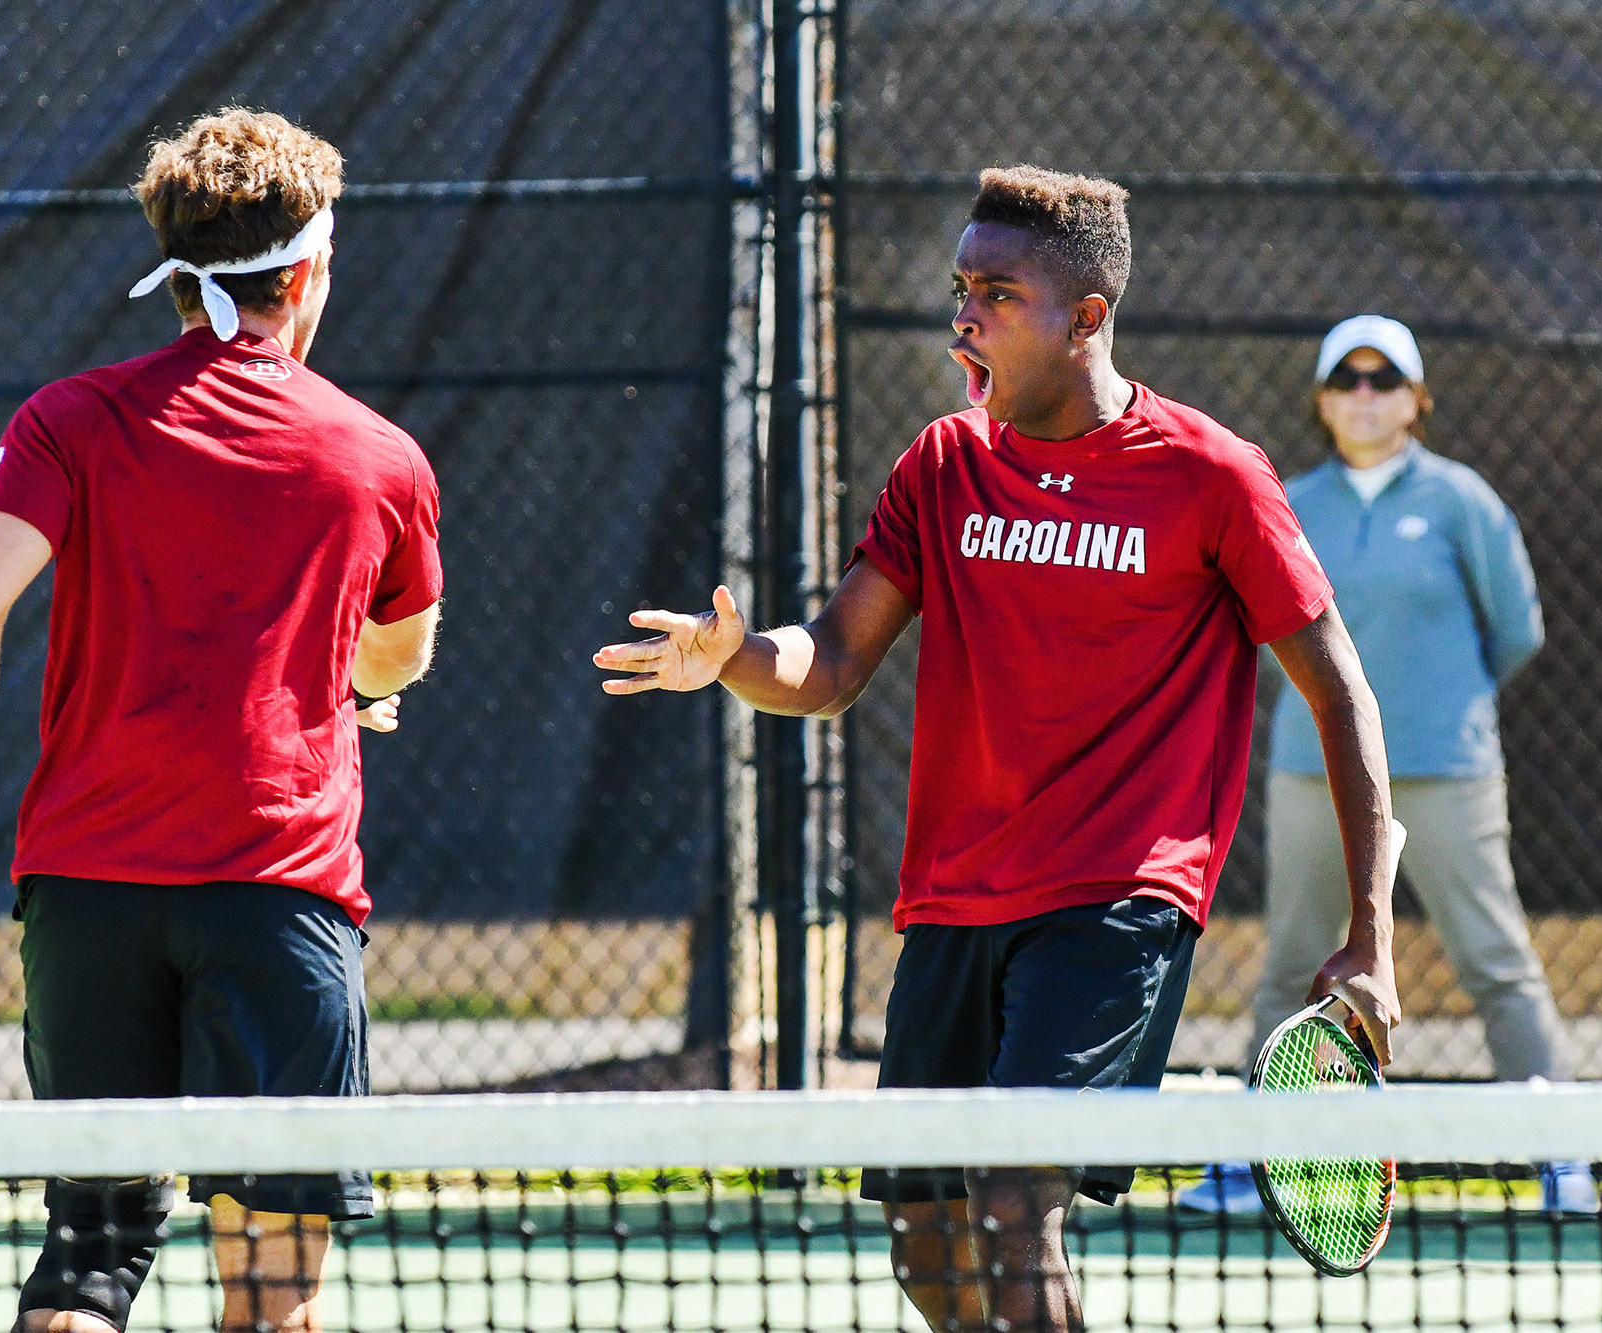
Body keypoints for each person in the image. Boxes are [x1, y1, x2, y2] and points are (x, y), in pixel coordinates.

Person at [594, 167, 1401, 1333]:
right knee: (925, 1242)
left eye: (995, 292)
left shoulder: (1210, 476)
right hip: (954, 902)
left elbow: (1341, 697)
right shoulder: (941, 464)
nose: (961, 314)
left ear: (1085, 318)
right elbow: (827, 661)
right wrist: (727, 656)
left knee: (1013, 1200)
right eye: (958, 286)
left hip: (1118, 899)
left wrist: (1368, 936)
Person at [0, 108, 443, 1333]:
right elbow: (401, 644)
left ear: (180, 274)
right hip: (277, 899)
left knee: (87, 1266)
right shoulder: (380, 458)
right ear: (308, 272)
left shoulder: (68, 421)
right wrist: (356, 685)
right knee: (271, 1286)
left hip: (83, 901)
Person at [1179, 315, 1596, 1216]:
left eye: (1384, 379)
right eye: (1348, 379)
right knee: (1295, 960)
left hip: (1447, 771)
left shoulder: (1462, 502)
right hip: (1312, 773)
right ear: (1324, 401)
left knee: (1495, 958)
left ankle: (1562, 1157)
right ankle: (1262, 1165)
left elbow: (1515, 630)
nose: (1366, 395)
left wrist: (1435, 704)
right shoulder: (1286, 500)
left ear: (1416, 399)